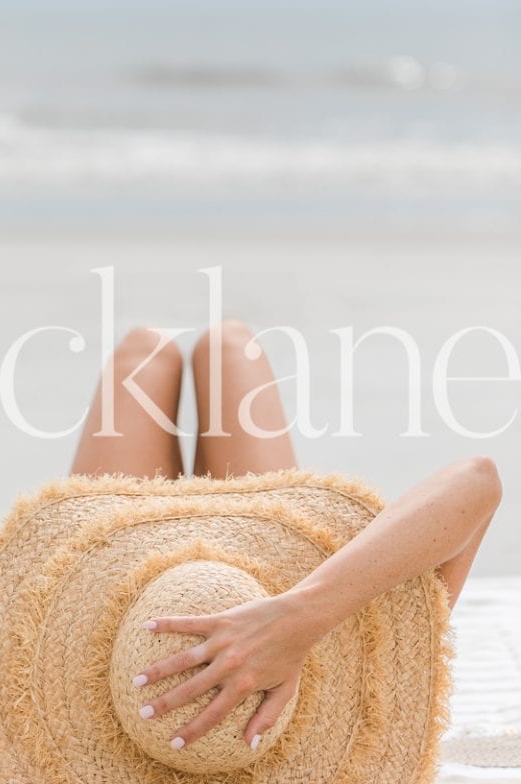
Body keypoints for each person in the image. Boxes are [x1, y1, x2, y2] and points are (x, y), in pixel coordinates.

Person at [69, 320, 503, 754]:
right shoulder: (357, 710)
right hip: (273, 586)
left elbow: (477, 481)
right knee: (228, 344)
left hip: (127, 608)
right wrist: (296, 619)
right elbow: (477, 481)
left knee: (148, 350)